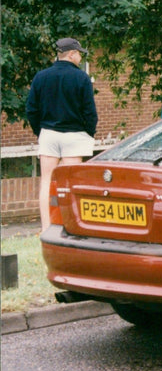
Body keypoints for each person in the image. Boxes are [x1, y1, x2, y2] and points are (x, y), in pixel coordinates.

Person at [26, 37, 98, 232]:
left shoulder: (41, 77)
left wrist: (40, 132)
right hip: (74, 135)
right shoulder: (81, 78)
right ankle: (71, 226)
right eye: (79, 54)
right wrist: (88, 134)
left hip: (49, 133)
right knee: (71, 183)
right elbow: (90, 112)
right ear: (72, 54)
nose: (80, 58)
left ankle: (46, 227)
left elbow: (31, 109)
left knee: (47, 181)